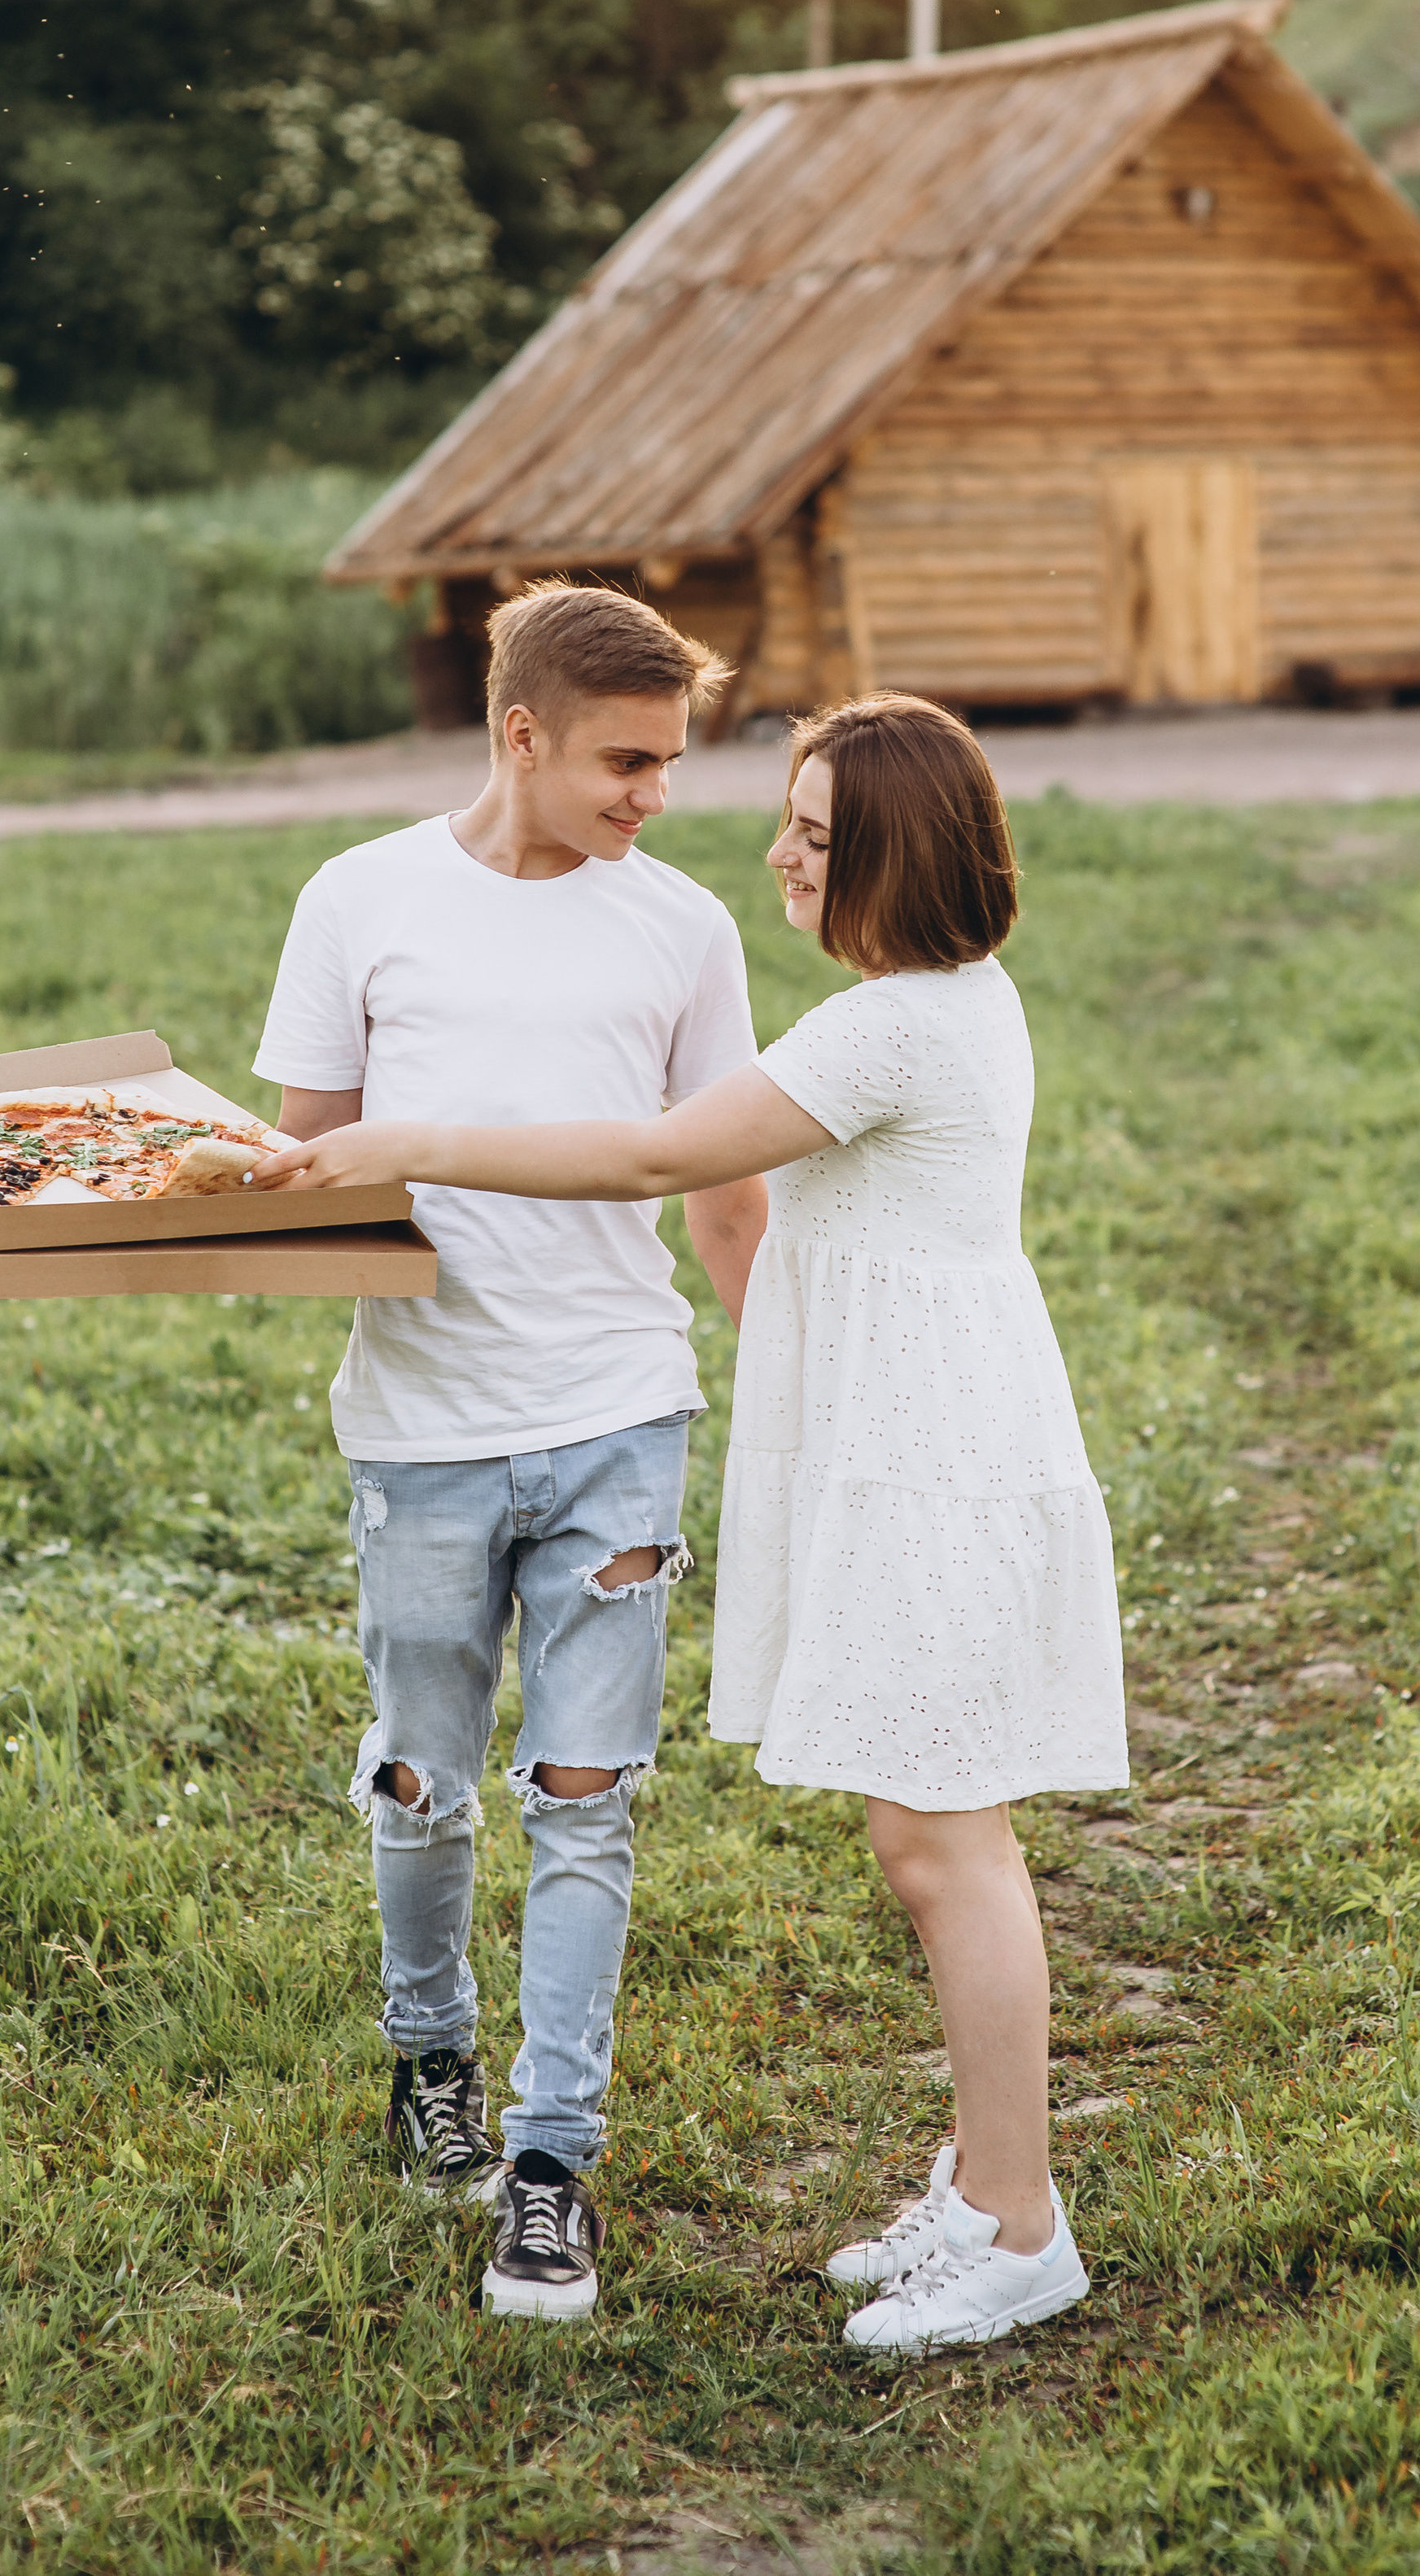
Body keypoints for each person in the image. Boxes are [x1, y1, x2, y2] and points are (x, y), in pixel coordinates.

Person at [258, 691, 1129, 2356]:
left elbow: (659, 1151)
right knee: (926, 1838)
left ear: (890, 848)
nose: (778, 853)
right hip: (914, 1444)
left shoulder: (890, 1030)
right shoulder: (926, 1003)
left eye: (813, 831)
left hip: (928, 1463)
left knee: (948, 1849)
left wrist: (415, 1139)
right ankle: (979, 2186)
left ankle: (1018, 2227)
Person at [249, 582, 767, 2322]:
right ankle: (429, 2060)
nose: (653, 794)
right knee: (423, 1777)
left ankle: (548, 2169)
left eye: (670, 762)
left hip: (620, 1412)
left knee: (590, 1800)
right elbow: (299, 1164)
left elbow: (721, 1178)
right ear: (519, 733)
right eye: (625, 760)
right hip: (419, 1432)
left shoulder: (684, 926)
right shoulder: (360, 900)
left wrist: (770, 1378)